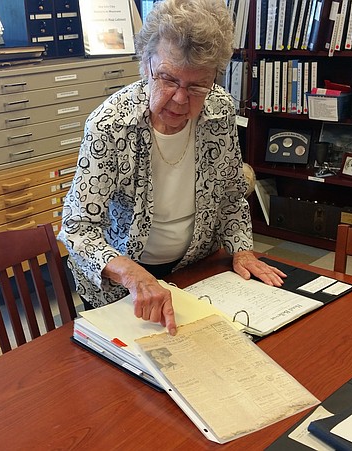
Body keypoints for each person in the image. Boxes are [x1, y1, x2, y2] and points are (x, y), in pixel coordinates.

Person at [58, 0, 286, 336]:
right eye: (168, 79)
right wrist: (133, 275)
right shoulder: (110, 126)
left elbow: (231, 195)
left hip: (196, 273)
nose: (180, 99)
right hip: (126, 288)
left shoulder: (219, 110)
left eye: (196, 87)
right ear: (146, 64)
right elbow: (77, 229)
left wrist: (241, 249)